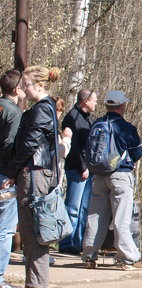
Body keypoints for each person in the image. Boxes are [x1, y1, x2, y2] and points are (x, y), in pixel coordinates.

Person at [7, 66, 62, 288]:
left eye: (27, 85)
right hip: (37, 171)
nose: (23, 89)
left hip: (35, 172)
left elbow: (31, 143)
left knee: (33, 229)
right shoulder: (45, 108)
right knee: (33, 228)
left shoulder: (41, 110)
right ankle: (35, 283)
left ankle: (36, 285)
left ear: (40, 85)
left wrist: (11, 171)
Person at [81, 89, 142, 271]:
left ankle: (88, 257)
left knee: (95, 217)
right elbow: (137, 152)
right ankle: (126, 258)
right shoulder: (126, 127)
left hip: (98, 176)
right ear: (122, 105)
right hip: (120, 175)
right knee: (121, 219)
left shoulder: (97, 124)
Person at [58, 88, 96, 254]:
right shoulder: (72, 117)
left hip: (88, 169)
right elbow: (73, 148)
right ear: (85, 101)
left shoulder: (87, 119)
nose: (95, 103)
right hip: (77, 169)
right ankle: (66, 243)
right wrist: (83, 167)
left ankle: (77, 242)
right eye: (93, 100)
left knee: (83, 209)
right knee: (72, 208)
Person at [0, 69, 25, 288]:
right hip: (4, 176)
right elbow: (10, 144)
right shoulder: (14, 112)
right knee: (6, 229)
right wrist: (11, 172)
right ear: (16, 89)